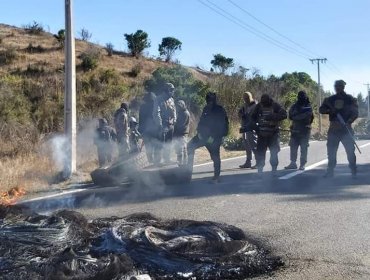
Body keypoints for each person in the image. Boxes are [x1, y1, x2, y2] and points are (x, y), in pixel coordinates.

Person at [187, 92, 229, 183]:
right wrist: (199, 132)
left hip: (214, 138)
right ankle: (187, 174)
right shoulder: (206, 109)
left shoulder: (219, 110)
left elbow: (221, 126)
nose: (209, 102)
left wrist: (212, 138)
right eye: (208, 100)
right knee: (190, 146)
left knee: (215, 156)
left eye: (211, 100)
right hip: (203, 136)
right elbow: (202, 121)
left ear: (214, 100)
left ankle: (216, 177)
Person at [319, 80, 358, 178]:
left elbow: (355, 113)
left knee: (350, 151)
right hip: (334, 129)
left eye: (339, 86)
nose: (337, 88)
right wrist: (330, 110)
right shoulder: (330, 99)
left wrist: (349, 122)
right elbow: (321, 109)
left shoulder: (350, 99)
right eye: (336, 86)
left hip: (346, 128)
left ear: (343, 87)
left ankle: (353, 170)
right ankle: (330, 171)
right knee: (331, 151)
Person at [251, 94, 287, 176]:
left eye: (265, 100)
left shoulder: (275, 105)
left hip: (273, 134)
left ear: (269, 100)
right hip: (261, 134)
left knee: (274, 153)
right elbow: (253, 117)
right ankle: (260, 171)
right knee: (260, 153)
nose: (263, 102)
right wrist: (255, 126)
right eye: (262, 100)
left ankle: (274, 170)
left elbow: (284, 114)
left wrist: (273, 116)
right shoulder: (259, 106)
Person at [285, 91, 314, 170]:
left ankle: (302, 164)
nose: (301, 98)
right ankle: (293, 163)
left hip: (305, 130)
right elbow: (290, 115)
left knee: (304, 148)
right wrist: (296, 116)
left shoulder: (308, 106)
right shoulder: (294, 106)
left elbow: (308, 117)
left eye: (302, 96)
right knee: (293, 146)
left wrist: (297, 116)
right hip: (295, 129)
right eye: (300, 96)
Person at [153, 83, 177, 165]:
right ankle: (157, 161)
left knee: (168, 143)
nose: (172, 92)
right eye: (171, 90)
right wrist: (159, 124)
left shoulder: (171, 99)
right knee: (160, 143)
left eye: (173, 90)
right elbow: (156, 113)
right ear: (166, 90)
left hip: (170, 125)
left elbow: (174, 111)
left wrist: (174, 121)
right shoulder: (158, 99)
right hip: (162, 125)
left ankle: (167, 159)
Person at [238, 91, 257, 169]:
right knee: (247, 145)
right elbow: (240, 113)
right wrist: (241, 114)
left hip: (252, 128)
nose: (245, 100)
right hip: (245, 127)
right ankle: (248, 162)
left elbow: (256, 116)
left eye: (247, 98)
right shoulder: (245, 105)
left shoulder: (255, 105)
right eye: (244, 98)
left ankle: (259, 162)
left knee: (254, 145)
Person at [138, 92, 157, 163]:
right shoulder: (156, 105)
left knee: (148, 146)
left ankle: (150, 160)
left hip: (146, 130)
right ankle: (156, 160)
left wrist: (140, 129)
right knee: (155, 144)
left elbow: (141, 119)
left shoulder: (142, 107)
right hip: (155, 129)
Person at [174, 100, 190, 165]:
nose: (178, 107)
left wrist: (174, 125)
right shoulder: (181, 112)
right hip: (180, 133)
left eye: (179, 106)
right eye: (177, 106)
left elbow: (181, 125)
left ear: (183, 105)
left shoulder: (185, 113)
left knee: (182, 148)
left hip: (182, 133)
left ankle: (183, 163)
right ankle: (181, 163)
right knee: (180, 148)